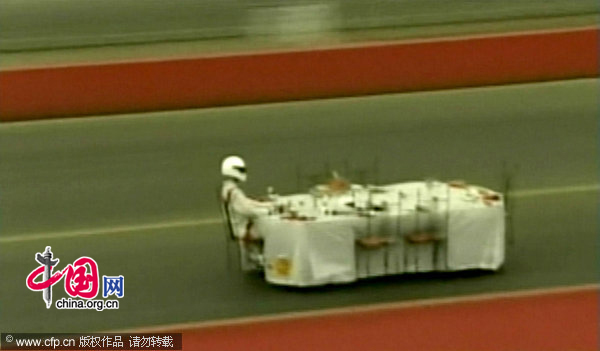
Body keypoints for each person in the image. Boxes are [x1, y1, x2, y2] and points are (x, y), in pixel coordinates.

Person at [220, 155, 272, 242]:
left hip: (240, 226)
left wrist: (267, 205)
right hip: (242, 230)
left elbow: (247, 203)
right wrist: (268, 212)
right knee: (273, 229)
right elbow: (248, 210)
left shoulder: (229, 189)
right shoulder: (234, 193)